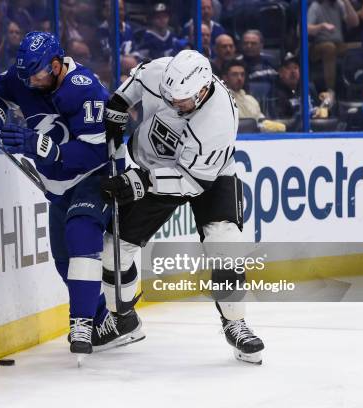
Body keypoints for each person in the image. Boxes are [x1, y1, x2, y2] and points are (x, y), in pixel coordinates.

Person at [0, 32, 145, 357]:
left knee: (82, 233)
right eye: (25, 74)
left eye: (37, 73)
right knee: (63, 259)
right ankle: (108, 323)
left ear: (55, 65)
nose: (30, 80)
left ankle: (79, 323)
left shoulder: (85, 88)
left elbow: (97, 151)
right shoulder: (26, 76)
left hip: (99, 175)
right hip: (59, 183)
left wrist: (41, 146)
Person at [100, 50, 265, 364]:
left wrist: (139, 182)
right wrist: (119, 106)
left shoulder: (218, 120)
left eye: (183, 101)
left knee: (225, 241)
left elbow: (191, 183)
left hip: (208, 175)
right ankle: (122, 320)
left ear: (203, 91)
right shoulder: (164, 74)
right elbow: (136, 82)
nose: (175, 104)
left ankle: (235, 322)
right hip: (150, 164)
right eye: (170, 97)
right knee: (114, 248)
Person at [307, 0, 360, 92]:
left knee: (361, 46)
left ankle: (359, 88)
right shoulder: (315, 6)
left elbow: (354, 22)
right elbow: (302, 30)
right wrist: (321, 26)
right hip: (316, 46)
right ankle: (330, 90)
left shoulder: (339, 4)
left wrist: (347, 2)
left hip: (337, 44)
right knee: (329, 47)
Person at [222, 59, 285, 132]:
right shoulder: (221, 100)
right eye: (235, 74)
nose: (239, 78)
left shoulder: (251, 100)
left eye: (242, 74)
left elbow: (262, 122)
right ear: (225, 78)